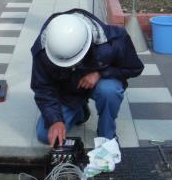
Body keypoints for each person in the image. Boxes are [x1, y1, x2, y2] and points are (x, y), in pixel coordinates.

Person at [31, 9, 144, 146]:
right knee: (44, 135)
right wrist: (55, 120)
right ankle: (79, 111)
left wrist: (100, 73)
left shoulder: (113, 39)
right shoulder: (43, 50)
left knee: (110, 90)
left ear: (87, 44)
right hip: (68, 92)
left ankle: (106, 134)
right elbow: (43, 88)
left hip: (100, 84)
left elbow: (134, 68)